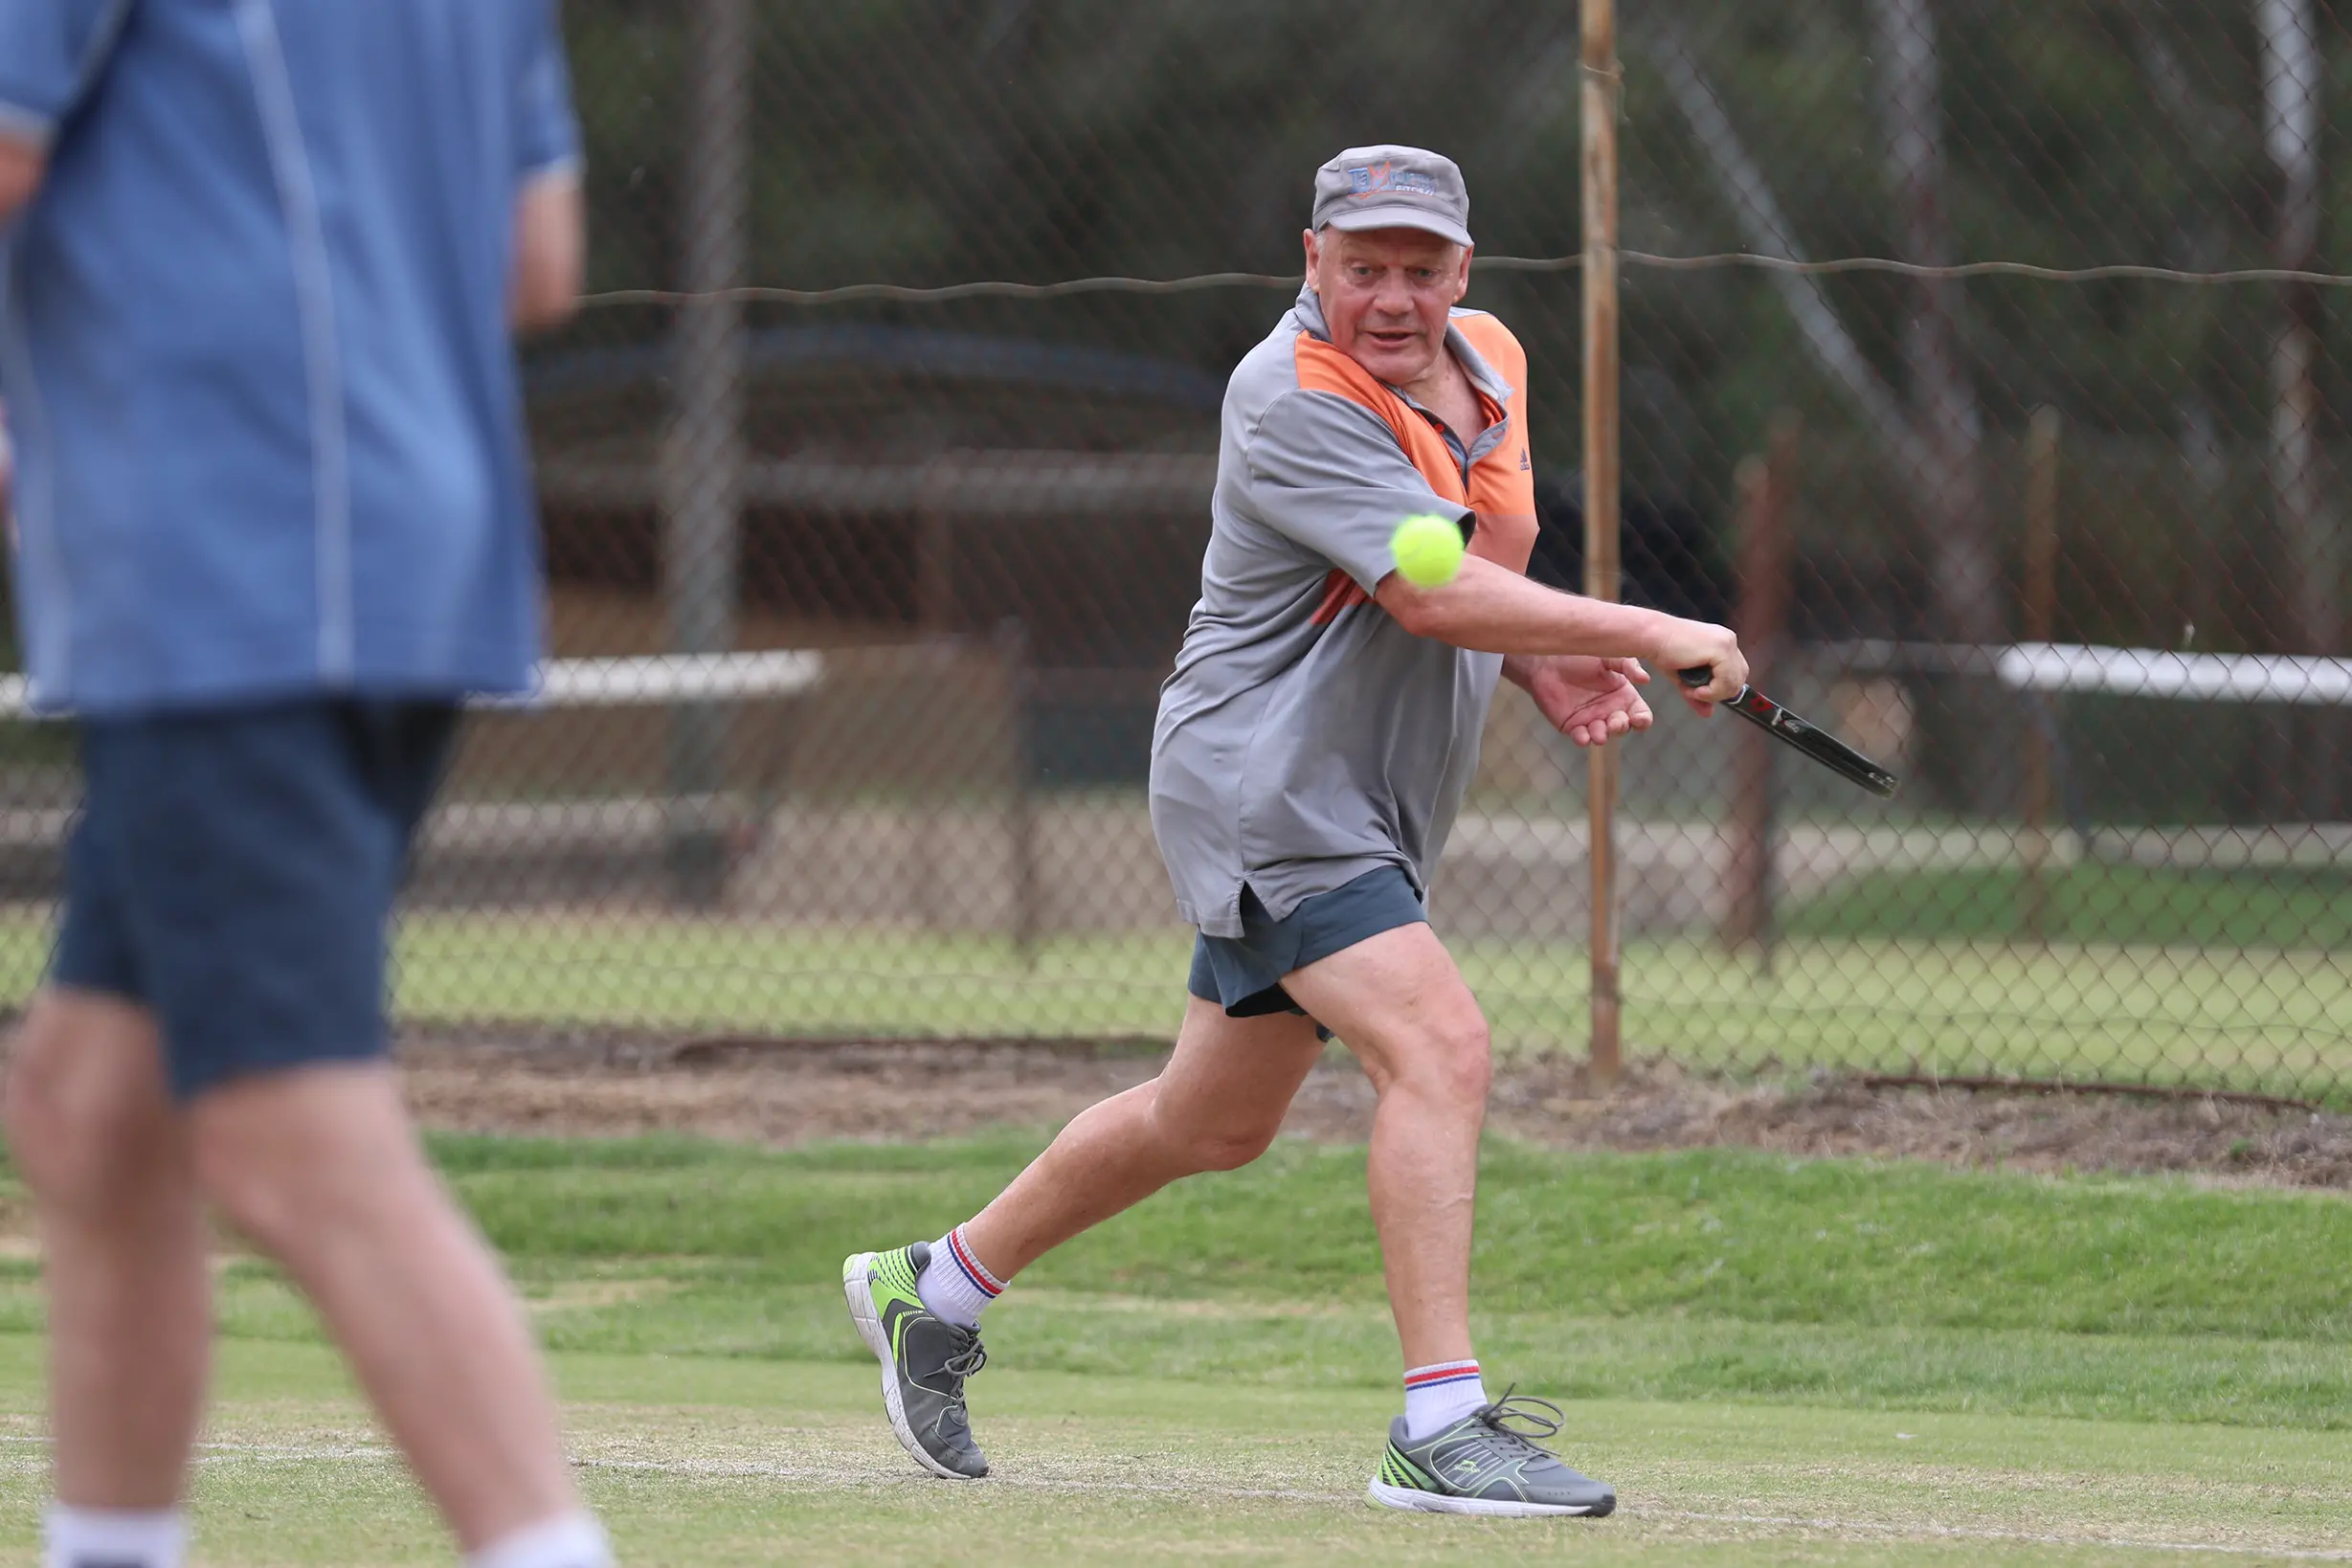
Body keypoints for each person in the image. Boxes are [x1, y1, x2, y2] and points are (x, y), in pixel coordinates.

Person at [842, 145, 1748, 1518]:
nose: (1394, 295)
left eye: (1421, 266)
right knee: (1440, 1045)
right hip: (1264, 783)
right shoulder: (1287, 395)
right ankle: (1440, 1426)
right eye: (1364, 264)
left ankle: (938, 1287)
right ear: (1310, 261)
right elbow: (1428, 597)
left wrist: (1543, 660)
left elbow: (1475, 572)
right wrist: (1650, 623)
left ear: (1464, 270)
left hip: (1371, 791)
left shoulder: (1489, 360)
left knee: (1211, 1121)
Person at [0, 7, 608, 1568]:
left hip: (234, 570)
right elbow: (535, 262)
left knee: (280, 1131)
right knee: (89, 1109)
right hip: (411, 552)